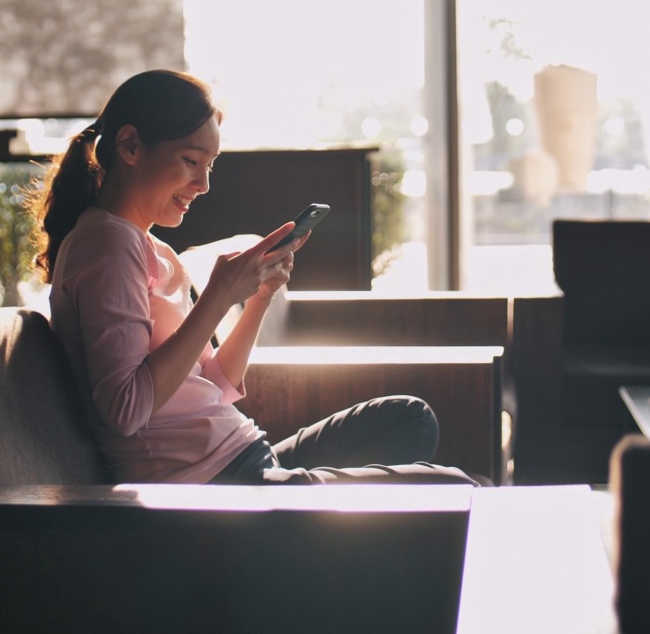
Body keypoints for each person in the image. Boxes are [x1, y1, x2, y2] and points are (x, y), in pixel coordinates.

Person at [32, 69, 476, 486]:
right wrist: (218, 298)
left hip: (244, 455)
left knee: (409, 417)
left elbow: (218, 385)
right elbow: (126, 410)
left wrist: (260, 295)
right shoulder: (106, 245)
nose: (203, 184)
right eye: (191, 160)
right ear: (130, 146)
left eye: (211, 165)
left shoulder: (149, 247)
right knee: (457, 488)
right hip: (208, 483)